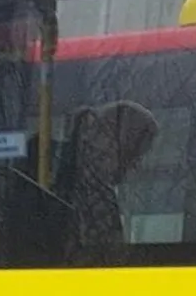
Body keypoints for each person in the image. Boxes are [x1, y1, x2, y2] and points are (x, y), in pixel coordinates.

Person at [58, 99, 160, 265]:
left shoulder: (76, 178)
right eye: (136, 154)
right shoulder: (95, 194)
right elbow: (107, 260)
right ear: (120, 145)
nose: (135, 165)